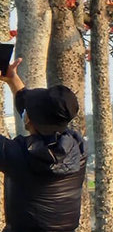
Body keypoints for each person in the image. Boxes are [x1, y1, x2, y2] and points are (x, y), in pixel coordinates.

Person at [0, 57, 87, 232]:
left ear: (29, 119)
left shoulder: (18, 155)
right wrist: (12, 78)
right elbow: (38, 113)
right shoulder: (78, 148)